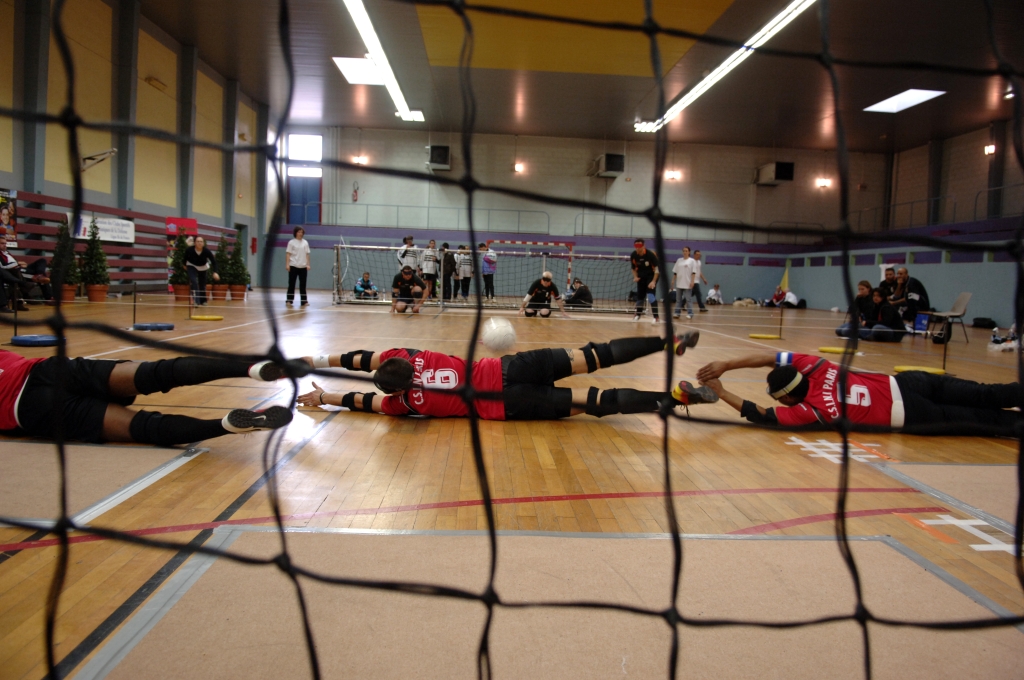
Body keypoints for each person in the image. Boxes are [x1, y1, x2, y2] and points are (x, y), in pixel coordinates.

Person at [294, 331, 714, 420]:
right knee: (592, 355)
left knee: (592, 403)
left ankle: (676, 398)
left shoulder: (402, 402)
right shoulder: (401, 353)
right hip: (508, 368)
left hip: (504, 405)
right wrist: (314, 360)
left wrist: (326, 397)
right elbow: (357, 357)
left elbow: (362, 400)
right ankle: (667, 341)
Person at [0, 349, 293, 445]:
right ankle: (250, 367)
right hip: (45, 371)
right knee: (154, 373)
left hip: (27, 410)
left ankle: (225, 425)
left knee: (140, 427)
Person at [695, 351, 1019, 436]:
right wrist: (727, 364)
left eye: (778, 397)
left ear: (790, 398)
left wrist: (721, 391)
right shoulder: (817, 366)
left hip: (914, 415)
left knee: (984, 420)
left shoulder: (812, 411)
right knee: (988, 394)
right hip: (909, 382)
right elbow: (769, 358)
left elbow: (759, 414)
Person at [630, 238, 660, 323]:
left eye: (639, 246)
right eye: (636, 246)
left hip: (652, 276)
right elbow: (633, 268)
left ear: (644, 246)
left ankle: (656, 317)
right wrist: (635, 277)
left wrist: (653, 281)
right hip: (641, 276)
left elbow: (657, 269)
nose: (638, 248)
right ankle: (638, 315)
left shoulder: (650, 255)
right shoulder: (633, 255)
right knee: (640, 297)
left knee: (650, 296)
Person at [0, 235, 32, 312]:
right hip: (7, 271)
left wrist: (19, 265)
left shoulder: (8, 253)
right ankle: (23, 285)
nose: (5, 245)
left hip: (16, 270)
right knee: (15, 274)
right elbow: (2, 266)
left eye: (5, 243)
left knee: (41, 262)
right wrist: (17, 264)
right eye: (2, 243)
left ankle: (23, 285)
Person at [186, 235, 219, 307]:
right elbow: (184, 259)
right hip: (191, 265)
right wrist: (184, 265)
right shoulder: (189, 250)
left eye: (201, 241)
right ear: (194, 243)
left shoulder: (207, 251)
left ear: (203, 243)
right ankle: (196, 301)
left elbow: (214, 262)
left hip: (203, 267)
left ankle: (203, 301)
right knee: (194, 281)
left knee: (202, 284)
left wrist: (215, 272)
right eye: (198, 241)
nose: (199, 243)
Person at [285, 226, 310, 307]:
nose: (300, 234)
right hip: (293, 266)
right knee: (291, 284)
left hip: (303, 266)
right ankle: (289, 300)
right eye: (299, 232)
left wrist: (308, 264)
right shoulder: (291, 242)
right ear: (295, 233)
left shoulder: (305, 242)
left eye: (301, 232)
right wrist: (287, 264)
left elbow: (307, 254)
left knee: (303, 285)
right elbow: (288, 254)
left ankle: (304, 301)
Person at [671, 246, 696, 320]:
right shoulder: (679, 260)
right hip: (679, 283)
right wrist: (673, 280)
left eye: (686, 251)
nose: (685, 252)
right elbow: (675, 272)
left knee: (688, 299)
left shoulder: (692, 261)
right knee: (678, 299)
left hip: (687, 284)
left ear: (689, 252)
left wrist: (692, 281)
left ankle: (690, 313)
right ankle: (677, 313)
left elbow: (693, 272)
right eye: (684, 251)